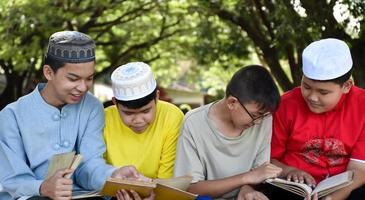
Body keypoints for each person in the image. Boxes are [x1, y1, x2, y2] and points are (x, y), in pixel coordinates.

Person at [0, 31, 148, 200]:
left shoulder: (92, 106)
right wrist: (43, 187)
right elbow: (13, 180)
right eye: (73, 78)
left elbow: (90, 164)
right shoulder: (11, 116)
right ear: (48, 72)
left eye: (89, 78)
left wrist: (114, 175)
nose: (83, 87)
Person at [270, 38, 365, 200]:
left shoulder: (362, 105)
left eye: (323, 92)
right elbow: (269, 159)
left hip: (344, 186)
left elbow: (360, 168)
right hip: (293, 186)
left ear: (347, 86)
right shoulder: (285, 105)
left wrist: (333, 198)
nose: (312, 97)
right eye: (306, 87)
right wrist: (289, 171)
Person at [174, 65, 283, 199]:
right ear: (232, 102)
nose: (259, 122)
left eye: (264, 116)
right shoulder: (193, 123)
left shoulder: (264, 119)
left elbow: (259, 174)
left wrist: (247, 189)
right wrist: (246, 178)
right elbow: (191, 188)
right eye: (255, 115)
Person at [103, 62, 184, 179]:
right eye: (128, 113)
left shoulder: (171, 117)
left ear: (157, 97)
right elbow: (97, 169)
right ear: (115, 103)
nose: (138, 120)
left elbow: (167, 180)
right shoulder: (103, 118)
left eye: (146, 111)